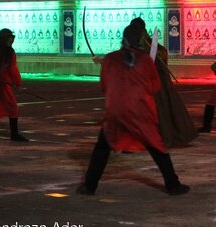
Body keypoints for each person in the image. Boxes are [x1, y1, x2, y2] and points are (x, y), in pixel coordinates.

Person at [76, 24, 189, 196]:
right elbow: (155, 86)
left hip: (116, 110)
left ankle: (89, 186)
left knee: (102, 148)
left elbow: (104, 85)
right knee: (157, 147)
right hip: (139, 111)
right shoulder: (145, 61)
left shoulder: (110, 59)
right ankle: (173, 185)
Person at [129, 17, 198, 148]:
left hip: (157, 86)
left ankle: (156, 137)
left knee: (159, 111)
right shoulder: (135, 47)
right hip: (144, 86)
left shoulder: (154, 48)